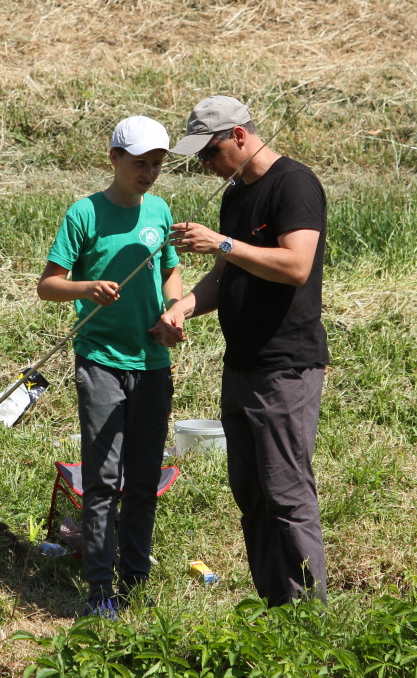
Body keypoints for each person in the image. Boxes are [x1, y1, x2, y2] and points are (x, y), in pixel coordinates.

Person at [150, 96, 330, 607]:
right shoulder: (235, 195)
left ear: (239, 136)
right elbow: (224, 276)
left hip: (285, 367)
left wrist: (222, 243)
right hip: (242, 365)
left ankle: (309, 613)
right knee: (251, 492)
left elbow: (296, 265)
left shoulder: (294, 184)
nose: (206, 166)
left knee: (286, 493)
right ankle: (276, 606)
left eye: (209, 153)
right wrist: (183, 307)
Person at [37, 115, 182, 618]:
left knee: (143, 480)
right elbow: (48, 284)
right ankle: (100, 588)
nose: (149, 173)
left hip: (152, 362)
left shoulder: (159, 210)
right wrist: (87, 288)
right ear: (114, 158)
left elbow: (171, 271)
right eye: (140, 163)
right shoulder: (85, 213)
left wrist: (173, 311)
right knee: (102, 480)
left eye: (157, 164)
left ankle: (135, 581)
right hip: (100, 361)